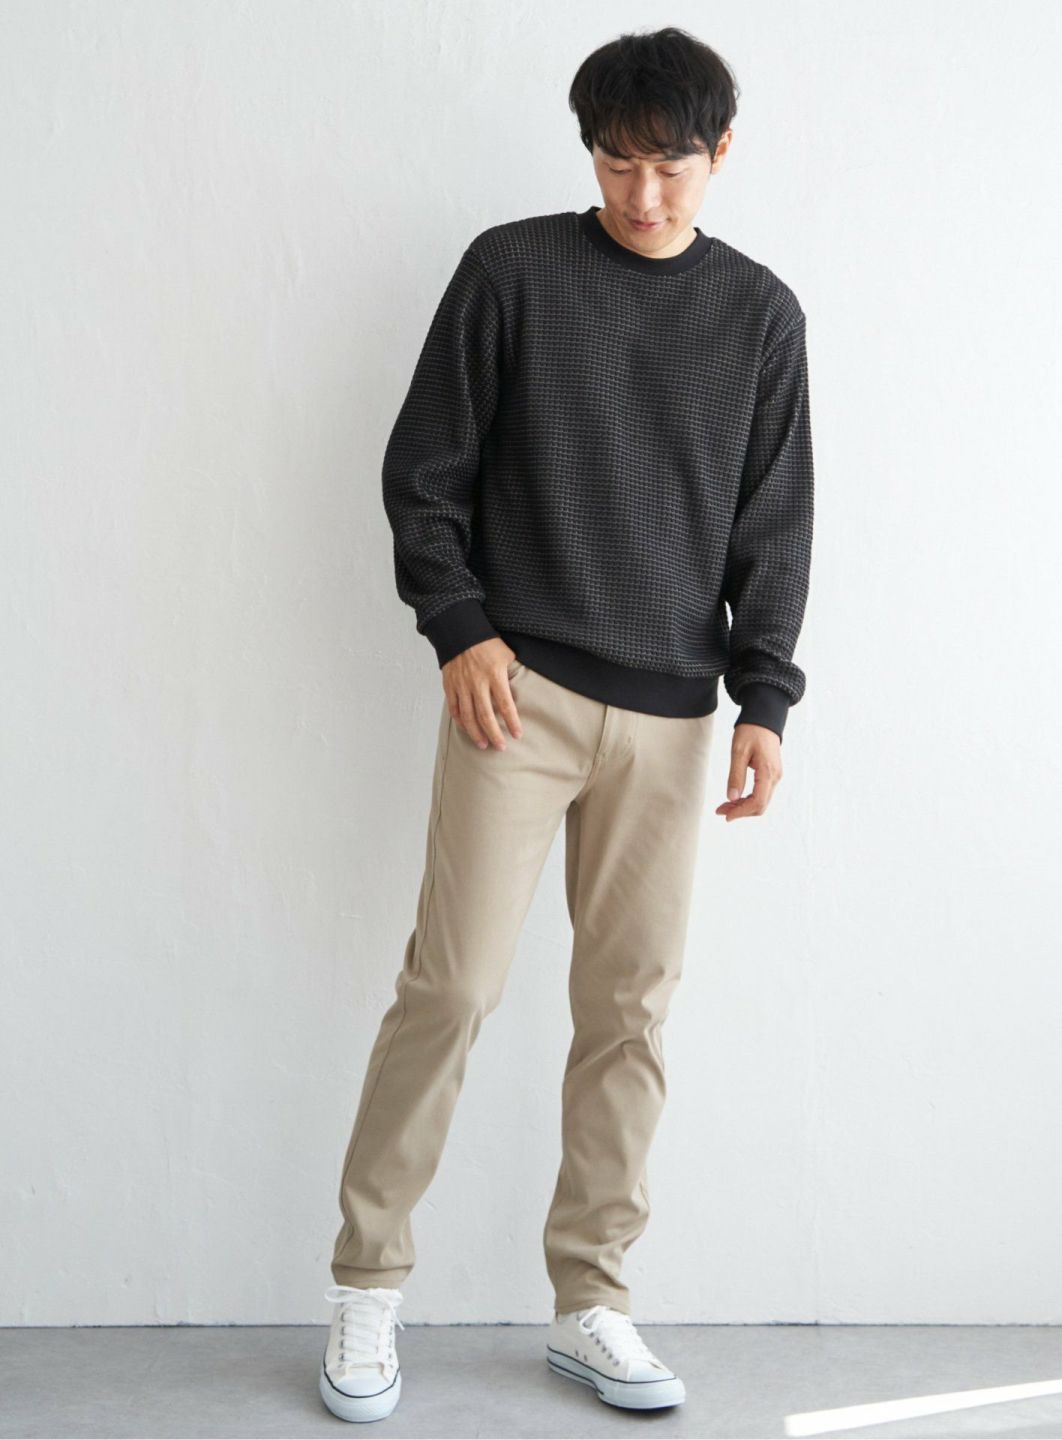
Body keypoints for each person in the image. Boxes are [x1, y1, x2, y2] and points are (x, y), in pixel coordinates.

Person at [317, 24, 815, 1424]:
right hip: (515, 697)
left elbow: (775, 524)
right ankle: (367, 1286)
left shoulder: (761, 316)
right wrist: (460, 627)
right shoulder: (514, 272)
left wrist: (765, 698)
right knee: (452, 989)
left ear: (722, 154)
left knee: (630, 1013)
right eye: (616, 162)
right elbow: (424, 470)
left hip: (673, 717)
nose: (642, 194)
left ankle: (593, 1302)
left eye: (672, 166)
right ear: (588, 151)